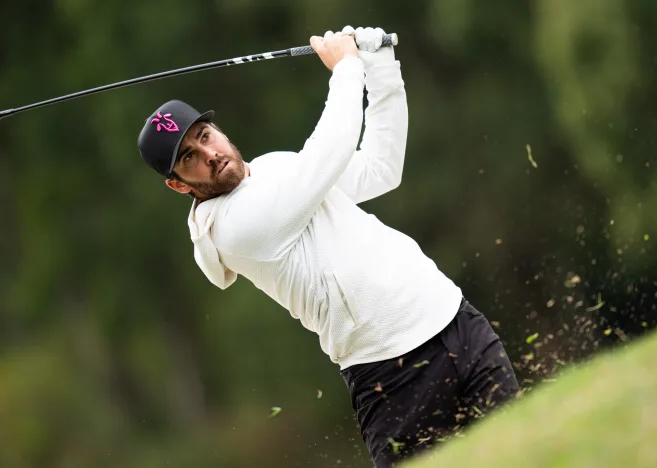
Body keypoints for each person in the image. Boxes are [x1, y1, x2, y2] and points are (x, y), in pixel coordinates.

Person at [137, 26, 520, 467]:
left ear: (217, 130)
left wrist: (379, 68)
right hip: (390, 379)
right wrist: (346, 66)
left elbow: (381, 168)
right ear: (177, 185)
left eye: (205, 136)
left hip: (456, 322)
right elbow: (329, 152)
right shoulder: (230, 230)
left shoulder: (274, 168)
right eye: (188, 157)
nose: (209, 155)